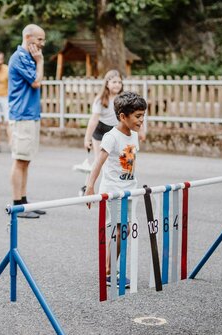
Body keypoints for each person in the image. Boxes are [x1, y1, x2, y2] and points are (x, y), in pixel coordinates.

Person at [85, 91, 147, 288]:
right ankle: (109, 271)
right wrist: (90, 186)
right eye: (137, 116)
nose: (141, 120)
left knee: (125, 229)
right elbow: (98, 162)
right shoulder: (111, 137)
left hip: (129, 190)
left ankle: (111, 268)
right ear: (122, 116)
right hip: (113, 190)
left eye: (143, 115)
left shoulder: (134, 136)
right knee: (120, 229)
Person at [8, 24, 46, 219]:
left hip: (31, 115)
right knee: (19, 159)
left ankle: (23, 201)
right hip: (22, 115)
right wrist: (40, 61)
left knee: (26, 160)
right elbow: (36, 82)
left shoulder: (30, 57)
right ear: (28, 37)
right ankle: (16, 204)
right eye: (39, 39)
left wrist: (38, 60)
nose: (42, 43)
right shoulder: (19, 57)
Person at [84, 70, 124, 163]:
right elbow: (93, 120)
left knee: (115, 161)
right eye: (114, 82)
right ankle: (91, 178)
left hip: (115, 131)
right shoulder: (100, 100)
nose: (117, 85)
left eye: (119, 82)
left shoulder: (123, 99)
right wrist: (87, 139)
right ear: (107, 84)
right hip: (100, 131)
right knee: (99, 161)